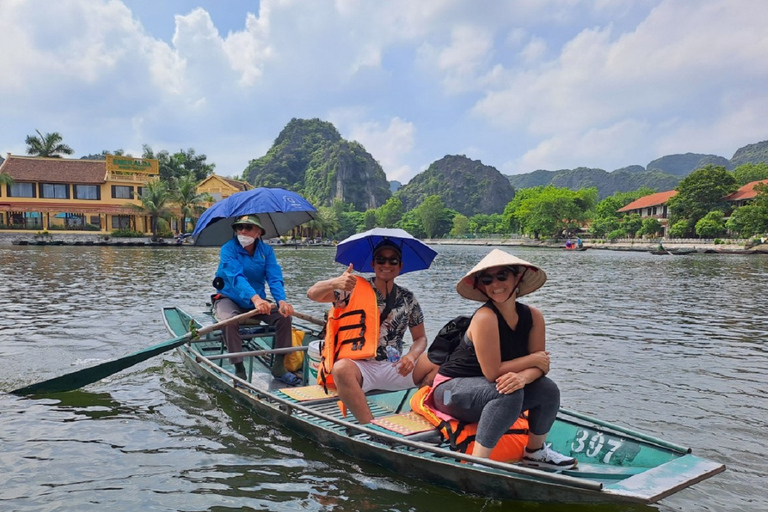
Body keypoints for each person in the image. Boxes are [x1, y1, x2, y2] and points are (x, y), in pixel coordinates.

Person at [430, 249, 577, 469]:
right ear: (482, 286)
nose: (495, 284)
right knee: (507, 392)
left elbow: (541, 366)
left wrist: (524, 377)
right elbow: (494, 371)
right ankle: (478, 463)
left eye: (502, 277)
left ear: (517, 278)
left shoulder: (534, 316)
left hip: (487, 388)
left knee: (547, 389)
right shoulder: (485, 317)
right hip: (449, 391)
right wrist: (533, 361)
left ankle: (534, 453)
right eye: (487, 280)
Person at [306, 239, 434, 423]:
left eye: (393, 261)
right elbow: (313, 294)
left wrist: (411, 357)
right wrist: (335, 282)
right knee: (341, 368)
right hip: (361, 367)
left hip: (395, 366)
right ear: (373, 264)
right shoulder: (352, 288)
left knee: (440, 361)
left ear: (400, 266)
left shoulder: (408, 298)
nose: (386, 265)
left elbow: (420, 338)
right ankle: (370, 427)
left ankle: (418, 416)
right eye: (381, 260)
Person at [212, 214, 297, 384]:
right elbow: (236, 277)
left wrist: (281, 301)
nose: (243, 231)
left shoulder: (267, 252)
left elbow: (274, 277)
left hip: (256, 302)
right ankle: (239, 368)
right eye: (239, 227)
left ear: (259, 232)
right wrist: (256, 299)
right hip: (230, 297)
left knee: (284, 317)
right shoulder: (228, 249)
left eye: (249, 227)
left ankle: (279, 365)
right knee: (229, 321)